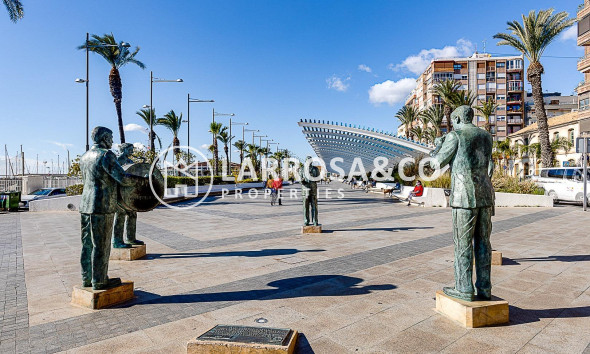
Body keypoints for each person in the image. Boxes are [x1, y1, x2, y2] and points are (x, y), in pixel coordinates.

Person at [431, 105, 494, 301]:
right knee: (484, 243)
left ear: (457, 118)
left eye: (452, 120)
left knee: (463, 244)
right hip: (485, 195)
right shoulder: (486, 137)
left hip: (463, 196)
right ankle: (484, 288)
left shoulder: (454, 136)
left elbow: (436, 164)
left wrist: (438, 146)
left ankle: (464, 288)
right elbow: (489, 164)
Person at [79, 127, 147, 290]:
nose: (112, 141)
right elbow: (122, 178)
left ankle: (87, 278)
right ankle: (100, 280)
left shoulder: (85, 156)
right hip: (102, 205)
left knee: (87, 244)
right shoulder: (105, 155)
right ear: (103, 138)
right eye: (110, 137)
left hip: (85, 205)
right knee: (101, 245)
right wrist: (141, 180)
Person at [112, 143, 143, 248]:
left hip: (129, 193)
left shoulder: (130, 161)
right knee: (120, 215)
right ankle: (116, 241)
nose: (132, 152)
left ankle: (130, 238)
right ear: (123, 149)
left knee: (132, 214)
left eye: (132, 149)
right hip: (118, 193)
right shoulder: (117, 161)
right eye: (130, 149)